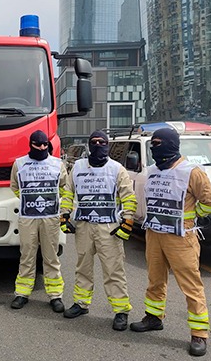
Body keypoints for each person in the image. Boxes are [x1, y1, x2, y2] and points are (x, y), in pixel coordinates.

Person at [129, 127, 211, 357]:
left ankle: (199, 333)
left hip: (181, 237)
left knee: (191, 285)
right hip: (154, 234)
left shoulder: (191, 172)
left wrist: (191, 216)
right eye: (152, 144)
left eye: (158, 143)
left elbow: (210, 202)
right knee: (155, 280)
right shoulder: (151, 171)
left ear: (171, 144)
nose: (154, 147)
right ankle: (153, 317)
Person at [64, 130, 137, 331]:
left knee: (113, 270)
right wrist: (64, 216)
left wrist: (127, 222)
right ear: (89, 145)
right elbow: (68, 193)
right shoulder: (78, 167)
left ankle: (121, 311)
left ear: (107, 145)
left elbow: (128, 197)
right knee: (83, 267)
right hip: (84, 226)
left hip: (109, 228)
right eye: (94, 142)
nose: (98, 145)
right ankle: (81, 303)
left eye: (102, 142)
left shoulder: (117, 169)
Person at [10, 130, 73, 313]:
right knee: (27, 255)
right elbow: (15, 186)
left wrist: (54, 202)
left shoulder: (57, 164)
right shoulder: (19, 164)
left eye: (45, 144)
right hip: (28, 217)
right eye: (38, 145)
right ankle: (22, 293)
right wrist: (28, 199)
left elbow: (65, 187)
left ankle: (55, 295)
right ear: (31, 145)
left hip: (50, 217)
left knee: (51, 256)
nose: (42, 147)